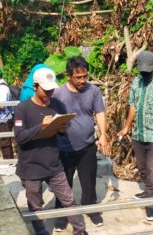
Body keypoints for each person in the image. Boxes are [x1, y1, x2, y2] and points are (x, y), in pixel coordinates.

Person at [13, 68, 87, 235]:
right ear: (35, 87)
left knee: (69, 200)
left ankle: (80, 231)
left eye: (51, 89)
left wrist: (62, 127)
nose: (49, 93)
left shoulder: (57, 104)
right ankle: (41, 232)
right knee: (35, 206)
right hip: (31, 167)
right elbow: (20, 137)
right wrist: (41, 127)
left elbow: (64, 127)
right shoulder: (22, 109)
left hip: (53, 163)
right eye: (45, 90)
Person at [52, 56, 109, 231]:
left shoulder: (93, 91)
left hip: (87, 146)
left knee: (89, 181)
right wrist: (57, 127)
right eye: (78, 77)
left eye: (85, 76)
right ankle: (62, 215)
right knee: (64, 183)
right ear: (69, 75)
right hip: (64, 147)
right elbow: (50, 118)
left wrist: (103, 135)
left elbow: (99, 113)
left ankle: (90, 209)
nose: (83, 80)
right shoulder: (58, 94)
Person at [117, 50, 153, 221]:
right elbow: (133, 106)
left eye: (147, 69)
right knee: (142, 167)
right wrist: (127, 127)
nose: (144, 72)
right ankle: (148, 192)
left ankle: (151, 205)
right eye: (141, 69)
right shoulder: (137, 81)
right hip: (138, 134)